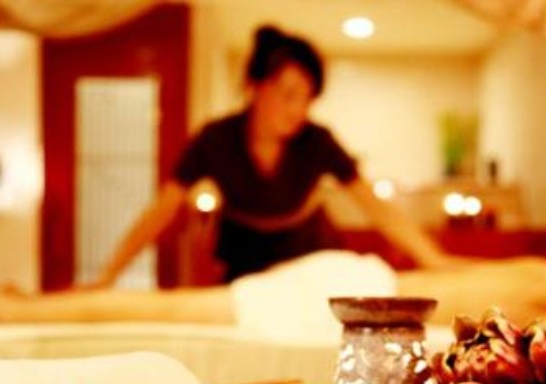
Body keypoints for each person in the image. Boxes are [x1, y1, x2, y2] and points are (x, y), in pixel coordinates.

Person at [87, 25, 450, 287]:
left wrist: (433, 259)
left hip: (311, 255)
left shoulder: (317, 141)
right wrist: (108, 275)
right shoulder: (216, 139)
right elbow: (161, 210)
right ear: (255, 86)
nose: (298, 110)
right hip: (244, 260)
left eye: (307, 98)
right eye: (289, 94)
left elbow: (375, 206)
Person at [0, 227, 546, 332]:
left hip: (361, 289)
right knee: (167, 308)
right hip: (355, 294)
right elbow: (491, 312)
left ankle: (24, 304)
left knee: (169, 306)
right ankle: (9, 311)